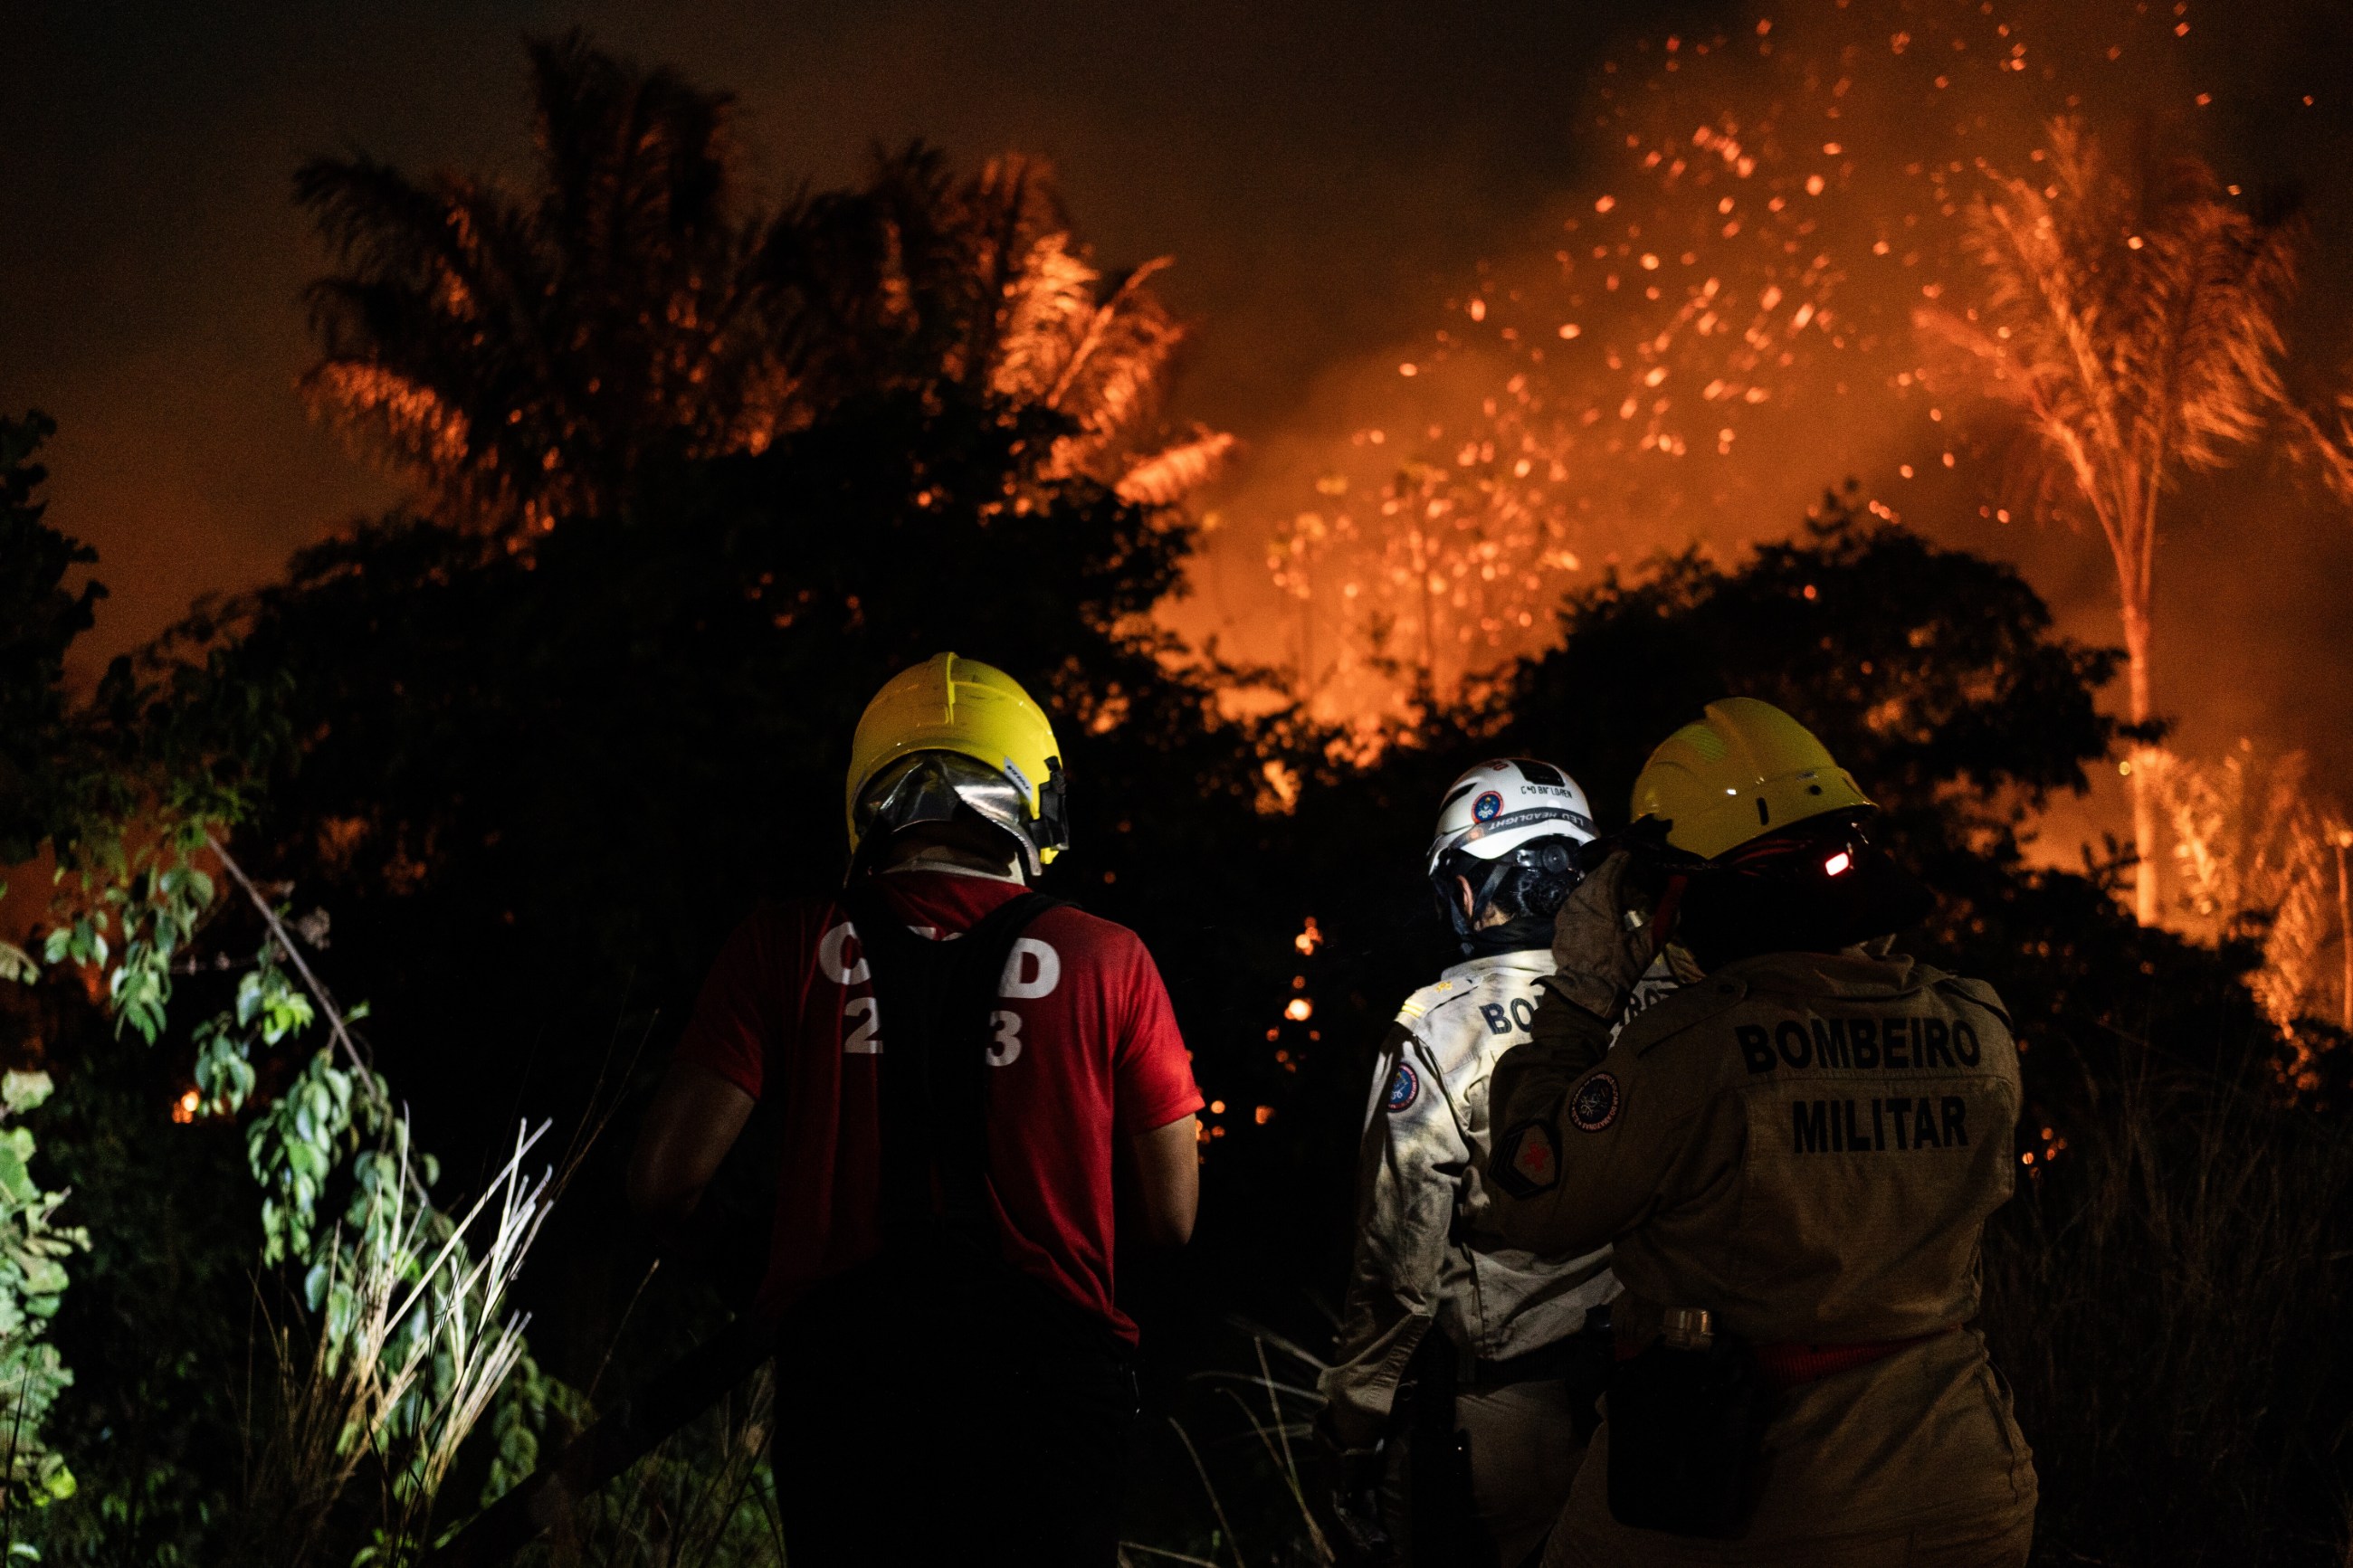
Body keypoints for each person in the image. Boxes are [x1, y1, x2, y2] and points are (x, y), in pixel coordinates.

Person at [627, 652, 1205, 1568]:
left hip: (848, 1381)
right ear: (1033, 800)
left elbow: (661, 1182)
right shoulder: (1109, 957)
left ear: (868, 798)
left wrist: (772, 1274)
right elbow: (1170, 1219)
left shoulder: (783, 941)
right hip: (1047, 1387)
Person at [1486, 698, 2037, 1566]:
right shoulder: (1980, 1026)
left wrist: (1583, 995)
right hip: (1970, 1489)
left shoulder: (1693, 1050)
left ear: (1692, 892)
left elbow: (1535, 1200)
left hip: (1740, 1501)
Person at [1319, 759, 1679, 1568]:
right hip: (1672, 1406)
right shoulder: (1674, 994)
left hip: (1512, 1421)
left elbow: (1396, 1268)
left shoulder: (1439, 1028)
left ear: (1472, 887)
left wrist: (1354, 1426)